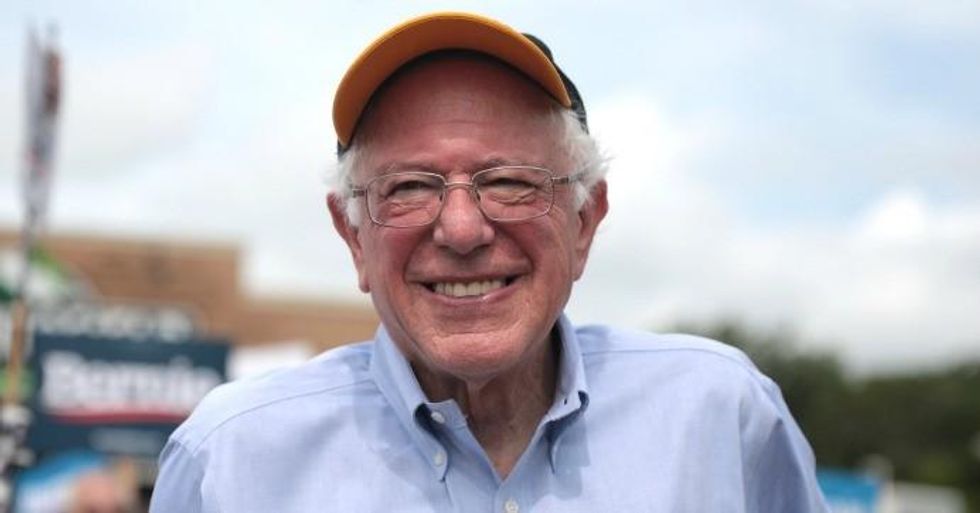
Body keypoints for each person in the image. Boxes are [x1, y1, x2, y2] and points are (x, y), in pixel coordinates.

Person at [150, 12, 829, 512]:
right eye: (410, 187)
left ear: (585, 221)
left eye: (510, 181)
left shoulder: (721, 417)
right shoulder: (229, 461)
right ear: (354, 237)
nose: (463, 228)